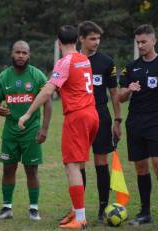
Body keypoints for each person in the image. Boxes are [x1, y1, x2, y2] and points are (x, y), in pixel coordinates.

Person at [18, 25, 99, 229]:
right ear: (78, 40)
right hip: (92, 114)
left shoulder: (65, 62)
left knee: (71, 165)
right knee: (78, 164)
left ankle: (80, 218)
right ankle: (75, 210)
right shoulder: (84, 59)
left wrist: (28, 113)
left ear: (58, 42)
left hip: (77, 116)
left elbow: (48, 91)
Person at [0, 40, 52, 221]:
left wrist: (44, 128)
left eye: (24, 53)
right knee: (8, 169)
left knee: (31, 170)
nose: (20, 56)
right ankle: (6, 207)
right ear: (12, 54)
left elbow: (48, 103)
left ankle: (33, 208)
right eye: (17, 52)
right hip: (10, 132)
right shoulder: (4, 76)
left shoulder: (38, 75)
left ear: (29, 55)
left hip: (31, 131)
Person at [77, 20, 121, 223]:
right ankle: (79, 211)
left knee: (101, 161)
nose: (96, 42)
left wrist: (117, 120)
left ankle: (103, 210)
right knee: (79, 164)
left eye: (98, 38)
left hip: (101, 116)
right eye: (92, 38)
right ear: (81, 39)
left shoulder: (106, 62)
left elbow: (114, 93)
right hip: (79, 117)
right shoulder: (72, 60)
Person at [119, 24, 158, 226]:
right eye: (138, 42)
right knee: (141, 167)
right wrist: (128, 90)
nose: (141, 45)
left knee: (157, 164)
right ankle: (145, 212)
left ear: (154, 41)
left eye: (144, 42)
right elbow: (120, 97)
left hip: (155, 122)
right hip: (135, 122)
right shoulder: (131, 67)